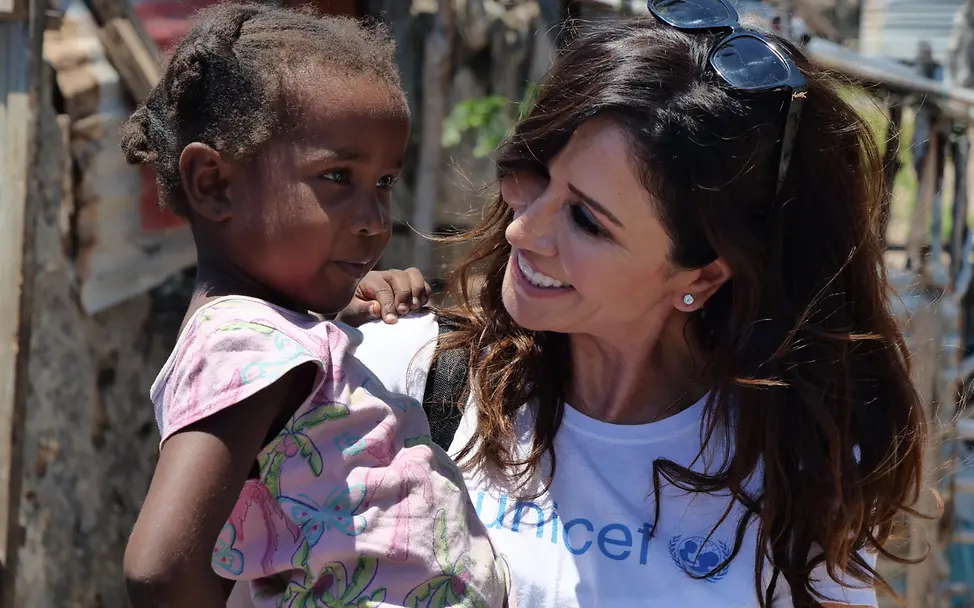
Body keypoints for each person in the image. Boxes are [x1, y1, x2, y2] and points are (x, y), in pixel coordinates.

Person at [349, 3, 929, 607]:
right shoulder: (402, 376)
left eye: (585, 219)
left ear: (702, 277)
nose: (524, 231)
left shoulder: (798, 480)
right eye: (536, 172)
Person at [119, 4, 509, 607]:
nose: (375, 219)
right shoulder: (238, 346)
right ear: (214, 184)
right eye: (337, 178)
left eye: (383, 182)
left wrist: (337, 309)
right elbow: (162, 569)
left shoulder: (272, 338)